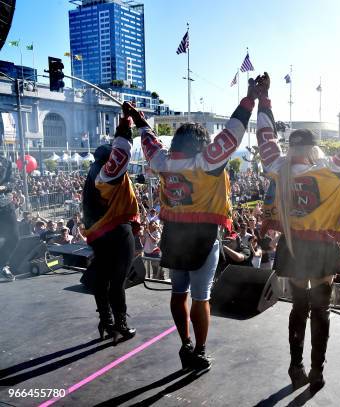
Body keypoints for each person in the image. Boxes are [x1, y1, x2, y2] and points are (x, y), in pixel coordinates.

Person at [254, 72, 340, 391]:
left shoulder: (275, 167)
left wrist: (264, 99)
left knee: (299, 307)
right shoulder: (328, 171)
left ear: (291, 148)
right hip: (323, 248)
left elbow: (264, 137)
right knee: (321, 309)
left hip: (294, 246)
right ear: (312, 149)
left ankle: (296, 365)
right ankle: (317, 370)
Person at [129, 82, 255, 372]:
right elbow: (232, 134)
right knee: (201, 296)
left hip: (174, 235)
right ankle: (199, 350)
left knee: (178, 292)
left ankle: (185, 342)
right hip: (203, 237)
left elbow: (149, 141)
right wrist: (249, 100)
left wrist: (138, 120)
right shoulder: (206, 162)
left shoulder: (163, 162)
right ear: (201, 143)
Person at [82, 103, 140, 344]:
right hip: (117, 229)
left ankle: (106, 321)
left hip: (98, 233)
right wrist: (126, 121)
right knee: (118, 280)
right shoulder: (107, 174)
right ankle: (121, 324)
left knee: (102, 278)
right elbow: (122, 152)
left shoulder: (91, 174)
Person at [0, 155, 17, 281]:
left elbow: (12, 181)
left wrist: (4, 187)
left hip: (6, 204)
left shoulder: (6, 161)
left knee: (14, 237)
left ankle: (3, 265)